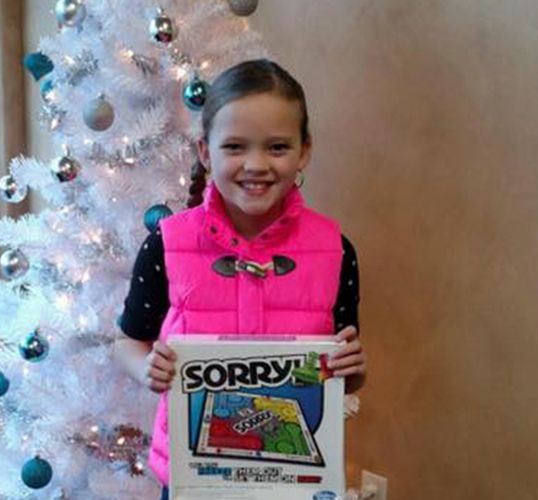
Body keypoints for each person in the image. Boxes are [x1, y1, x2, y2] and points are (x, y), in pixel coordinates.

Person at [115, 59, 366, 499]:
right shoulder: (167, 244)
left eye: (277, 147)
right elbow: (127, 342)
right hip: (194, 475)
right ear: (205, 153)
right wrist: (147, 369)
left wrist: (354, 369)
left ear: (304, 150)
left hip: (295, 476)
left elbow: (343, 366)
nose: (256, 164)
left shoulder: (334, 249)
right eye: (234, 146)